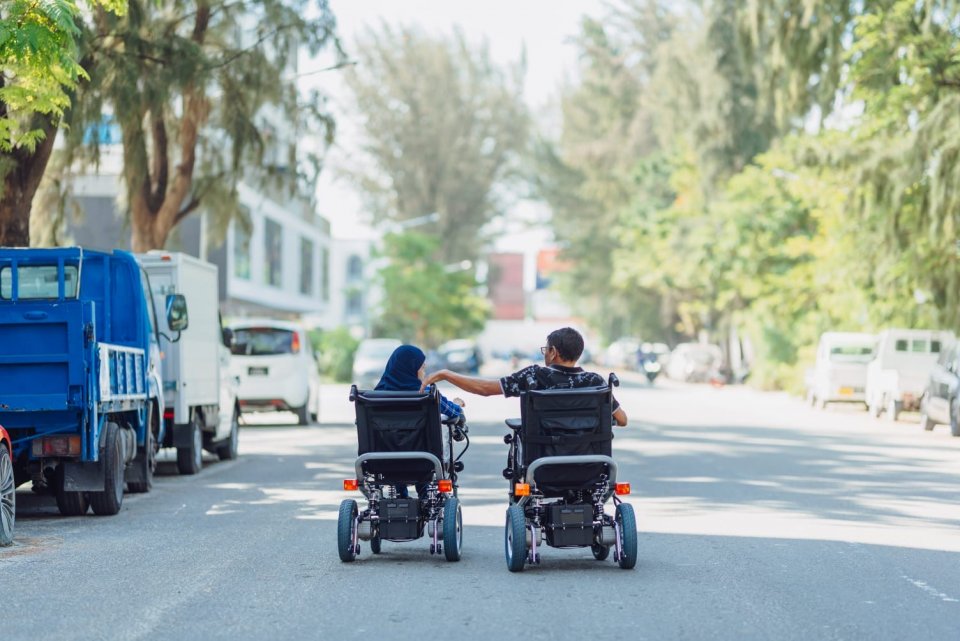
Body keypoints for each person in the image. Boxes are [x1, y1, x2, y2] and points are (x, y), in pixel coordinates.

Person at [421, 327, 628, 427]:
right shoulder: (596, 382)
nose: (544, 353)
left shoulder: (534, 376)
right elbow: (622, 420)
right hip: (589, 461)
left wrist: (447, 374)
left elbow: (484, 389)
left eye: (545, 349)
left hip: (543, 458)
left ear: (553, 352)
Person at [374, 345, 465, 498]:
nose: (424, 373)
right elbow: (455, 413)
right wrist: (458, 404)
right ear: (413, 370)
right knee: (419, 446)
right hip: (422, 462)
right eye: (422, 368)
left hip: (381, 461)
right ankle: (424, 498)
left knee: (394, 442)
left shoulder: (373, 398)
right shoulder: (427, 395)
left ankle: (400, 495)